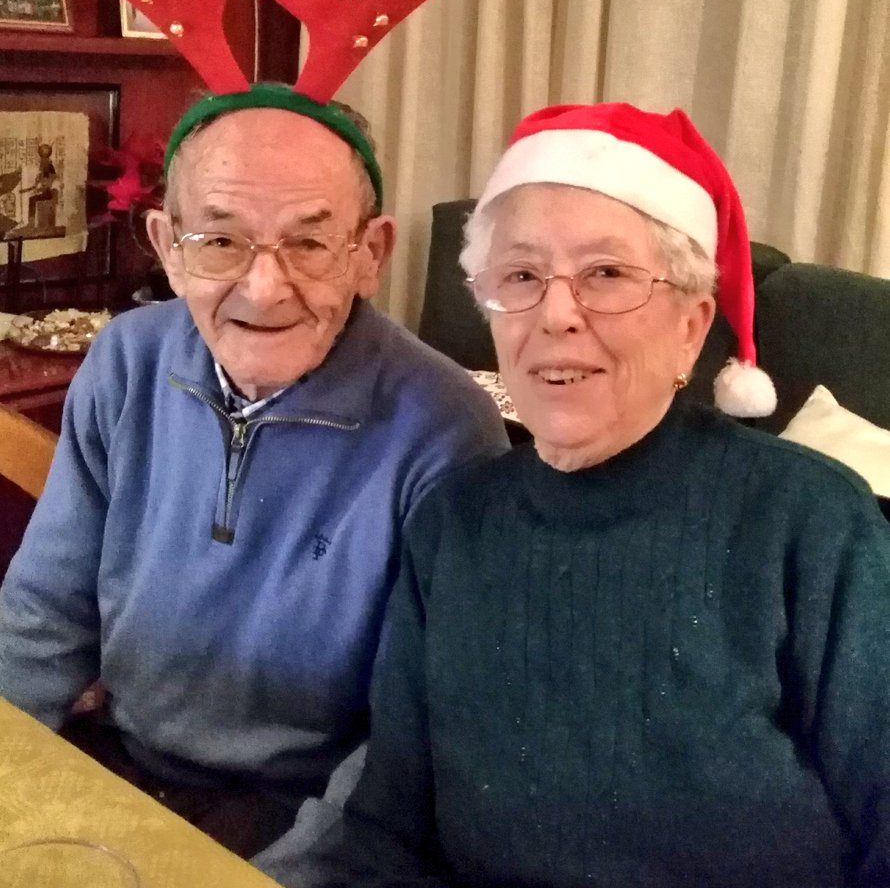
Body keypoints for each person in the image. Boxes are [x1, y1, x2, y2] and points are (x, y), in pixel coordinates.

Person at [289, 103, 890, 888]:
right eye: (521, 277)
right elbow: (387, 831)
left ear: (690, 324)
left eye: (606, 274)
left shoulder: (811, 522)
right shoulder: (454, 523)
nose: (556, 315)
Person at [0, 87, 509, 859]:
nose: (265, 290)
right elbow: (45, 609)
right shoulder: (126, 361)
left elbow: (411, 738)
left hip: (301, 814)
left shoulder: (446, 428)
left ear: (370, 254)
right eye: (220, 240)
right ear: (168, 247)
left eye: (310, 243)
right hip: (120, 757)